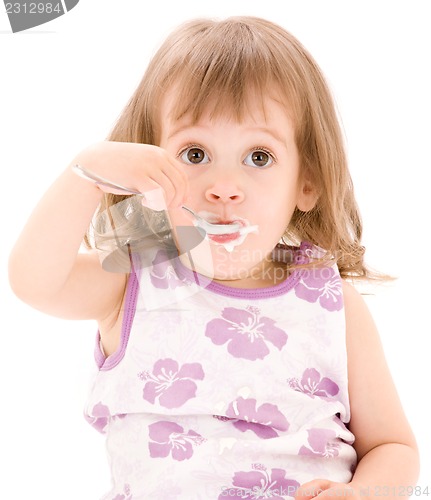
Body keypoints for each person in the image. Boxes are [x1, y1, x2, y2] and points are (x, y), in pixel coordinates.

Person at [8, 16, 419, 499]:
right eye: (196, 154)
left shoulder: (332, 302)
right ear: (145, 166)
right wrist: (86, 173)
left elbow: (394, 447)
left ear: (306, 182)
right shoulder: (134, 280)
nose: (224, 189)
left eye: (259, 157)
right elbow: (35, 281)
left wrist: (364, 493)